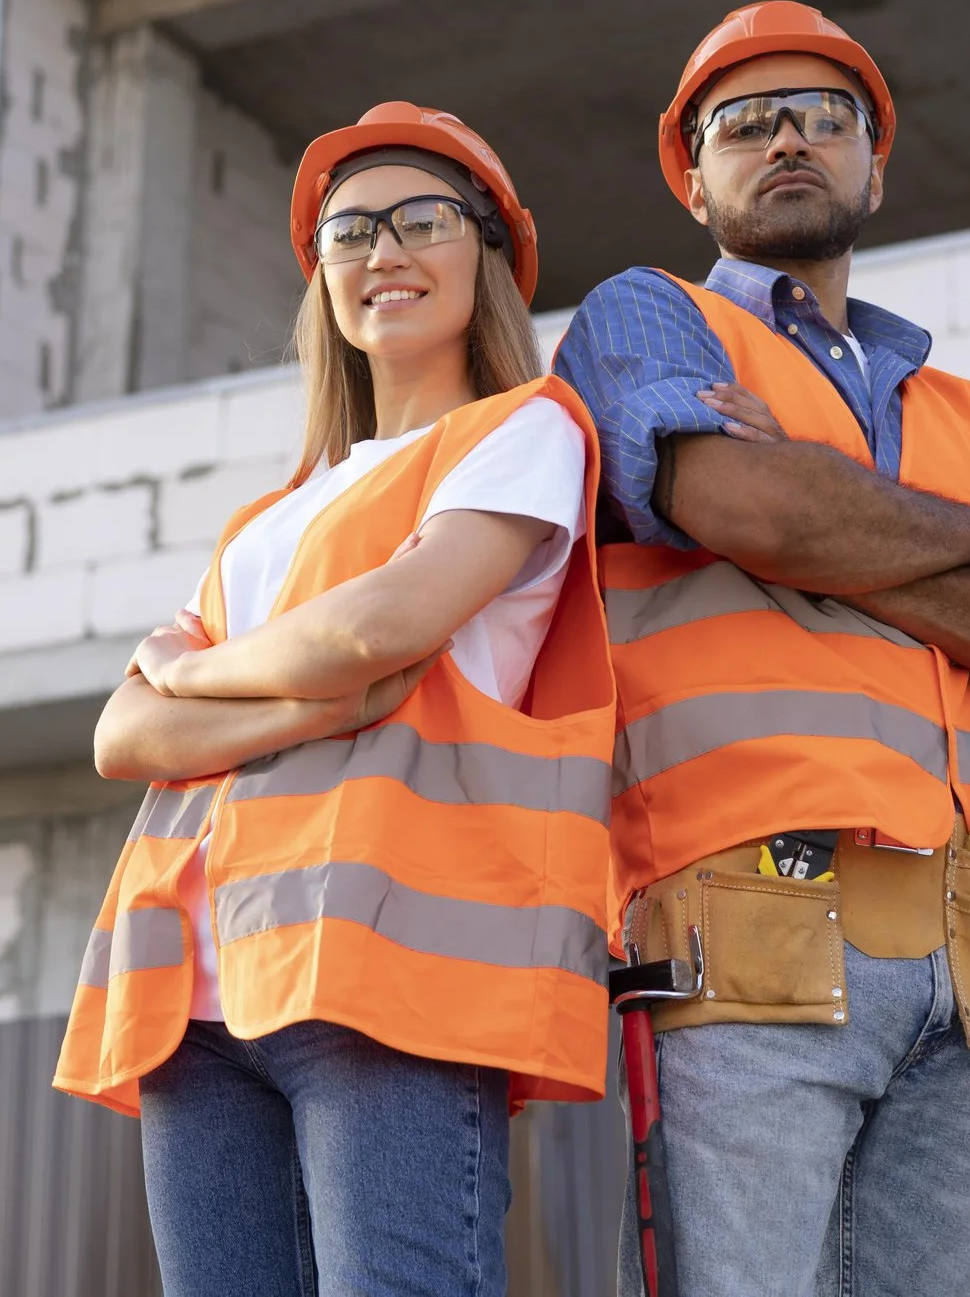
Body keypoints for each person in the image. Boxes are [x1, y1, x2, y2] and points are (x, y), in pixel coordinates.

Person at [552, 3, 970, 1297]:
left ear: (878, 159)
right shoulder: (644, 319)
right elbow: (737, 507)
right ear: (690, 174)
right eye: (745, 122)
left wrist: (823, 502)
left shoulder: (966, 410)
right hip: (748, 926)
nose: (789, 139)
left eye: (826, 115)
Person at [54, 102, 620, 1297]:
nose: (383, 251)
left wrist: (193, 669)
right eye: (350, 231)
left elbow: (378, 628)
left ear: (491, 254)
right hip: (194, 994)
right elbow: (122, 733)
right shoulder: (266, 516)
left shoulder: (523, 434)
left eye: (423, 219)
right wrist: (296, 706)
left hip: (381, 974)